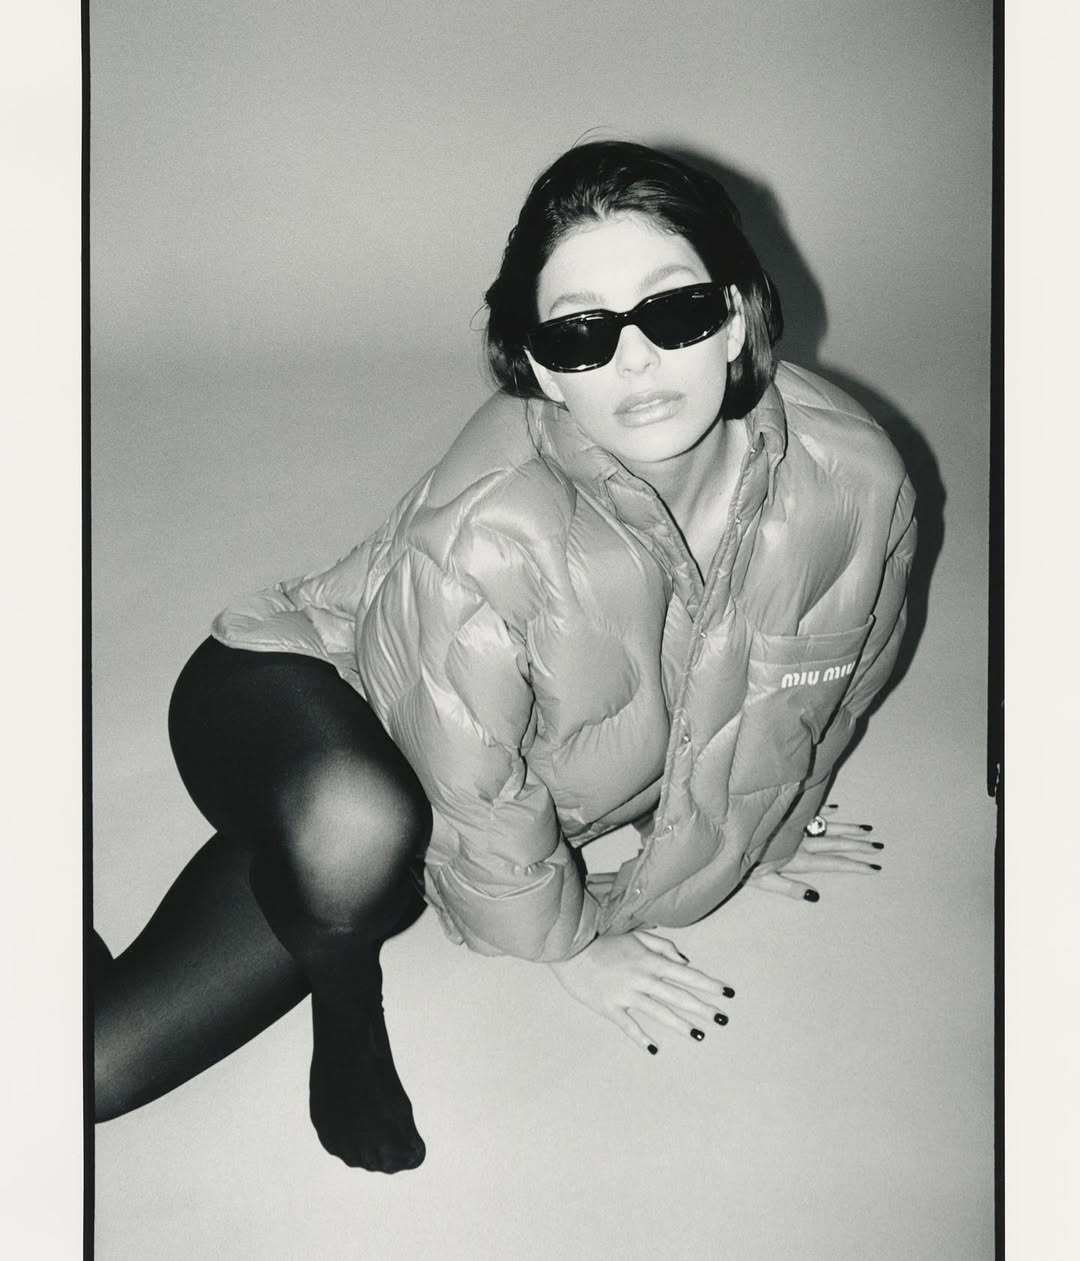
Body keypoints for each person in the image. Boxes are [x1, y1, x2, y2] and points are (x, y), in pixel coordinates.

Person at [92, 140, 915, 1174]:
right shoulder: (487, 535)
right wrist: (573, 941)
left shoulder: (853, 478)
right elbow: (473, 797)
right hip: (294, 703)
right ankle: (349, 1010)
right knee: (358, 829)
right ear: (542, 367)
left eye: (674, 311)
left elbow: (831, 685)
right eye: (582, 332)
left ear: (738, 313)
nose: (636, 361)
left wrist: (770, 829)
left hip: (420, 801)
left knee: (94, 1063)